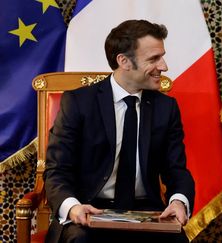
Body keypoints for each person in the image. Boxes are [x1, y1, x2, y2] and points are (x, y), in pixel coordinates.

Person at [44, 19, 195, 243]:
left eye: (162, 56)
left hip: (147, 212)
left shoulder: (166, 107)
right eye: (154, 59)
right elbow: (57, 170)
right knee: (79, 239)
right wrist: (73, 207)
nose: (164, 66)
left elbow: (177, 170)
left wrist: (178, 201)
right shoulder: (78, 103)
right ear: (123, 61)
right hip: (89, 210)